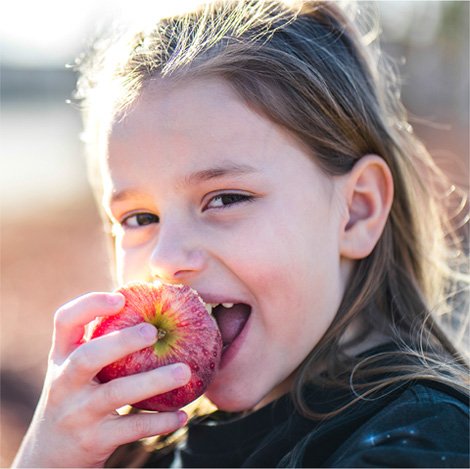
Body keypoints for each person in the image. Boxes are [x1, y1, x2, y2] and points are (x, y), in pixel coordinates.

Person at [13, 1, 469, 467]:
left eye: (226, 199)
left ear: (356, 212)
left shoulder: (419, 443)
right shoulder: (140, 449)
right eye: (140, 219)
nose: (166, 260)